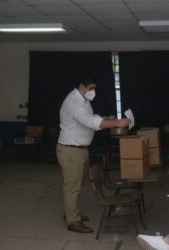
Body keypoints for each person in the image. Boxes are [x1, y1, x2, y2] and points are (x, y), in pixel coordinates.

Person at [56, 74, 130, 233]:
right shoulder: (74, 103)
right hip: (71, 151)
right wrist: (117, 123)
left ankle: (72, 213)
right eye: (91, 88)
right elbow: (91, 123)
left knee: (76, 184)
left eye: (94, 88)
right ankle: (72, 221)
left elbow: (89, 118)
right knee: (72, 186)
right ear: (81, 87)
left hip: (78, 150)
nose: (93, 91)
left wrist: (106, 118)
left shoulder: (84, 101)